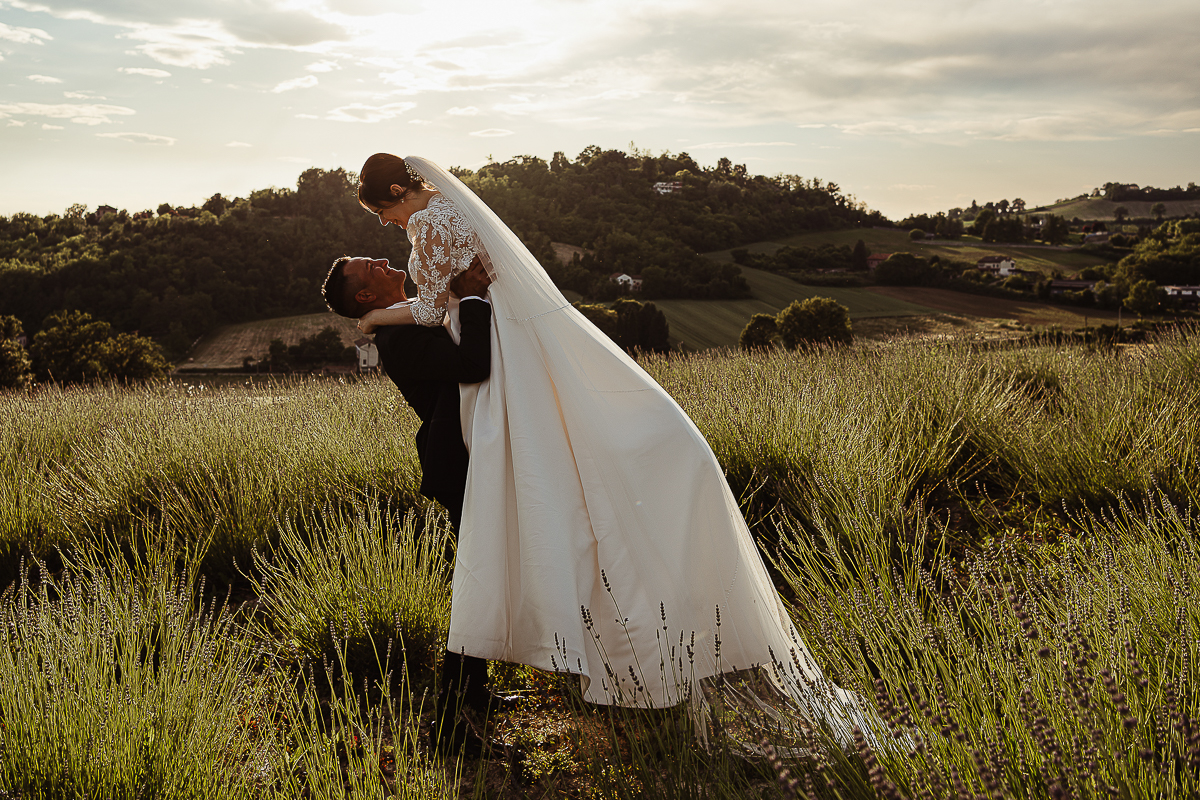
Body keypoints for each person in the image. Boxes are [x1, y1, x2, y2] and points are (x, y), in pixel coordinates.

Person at [351, 153, 885, 748]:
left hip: (492, 361)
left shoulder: (427, 224)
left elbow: (434, 310)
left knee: (515, 527)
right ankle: (521, 674)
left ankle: (498, 686)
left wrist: (375, 317)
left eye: (382, 212)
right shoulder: (450, 209)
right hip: (508, 344)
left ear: (396, 191)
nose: (386, 226)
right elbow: (456, 301)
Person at [322, 254, 508, 756]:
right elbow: (473, 366)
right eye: (371, 267)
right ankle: (448, 724)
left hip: (471, 455)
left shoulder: (405, 319)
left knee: (481, 577)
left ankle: (474, 693)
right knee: (475, 582)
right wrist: (473, 298)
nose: (385, 260)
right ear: (365, 295)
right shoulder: (398, 338)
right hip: (459, 463)